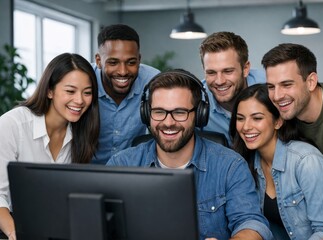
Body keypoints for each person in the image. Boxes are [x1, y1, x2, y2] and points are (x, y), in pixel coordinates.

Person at [106, 69, 273, 240]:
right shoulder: (121, 164)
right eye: (159, 111)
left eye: (179, 112)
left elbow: (251, 223)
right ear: (147, 113)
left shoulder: (230, 166)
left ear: (199, 115)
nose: (168, 122)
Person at [262, 43, 323, 240]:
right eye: (271, 87)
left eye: (287, 84)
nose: (277, 96)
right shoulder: (285, 118)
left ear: (311, 81)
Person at [0, 53, 100, 240]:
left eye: (87, 92)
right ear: (49, 91)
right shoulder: (12, 125)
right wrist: (16, 233)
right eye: (70, 91)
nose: (80, 100)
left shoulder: (82, 132)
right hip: (10, 227)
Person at [229, 84, 323, 240]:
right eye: (240, 118)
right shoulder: (246, 163)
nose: (246, 127)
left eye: (257, 118)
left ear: (278, 121)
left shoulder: (306, 161)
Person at [92, 24, 160, 164]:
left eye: (131, 62)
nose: (123, 71)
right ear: (99, 61)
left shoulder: (154, 82)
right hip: (85, 172)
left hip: (132, 172)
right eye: (113, 62)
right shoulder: (84, 80)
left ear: (139, 60)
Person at [199, 31, 266, 146]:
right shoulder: (195, 97)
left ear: (245, 69)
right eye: (211, 72)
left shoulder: (271, 87)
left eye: (228, 71)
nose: (219, 81)